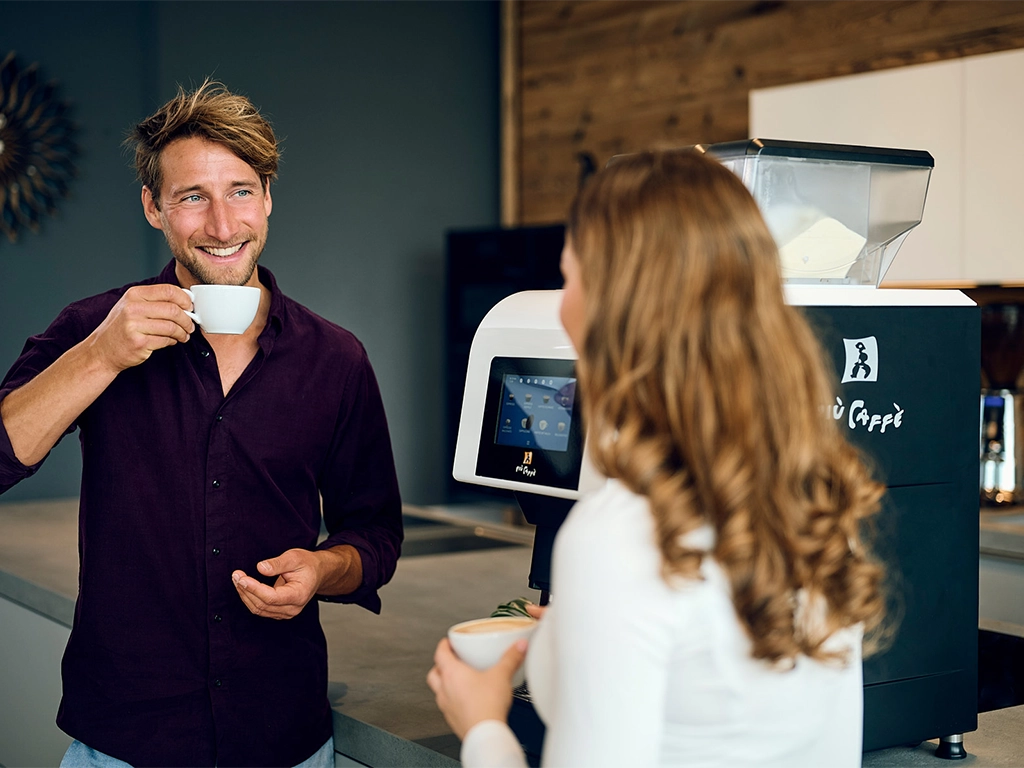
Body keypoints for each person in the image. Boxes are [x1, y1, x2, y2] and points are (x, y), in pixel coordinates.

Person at [427, 149, 888, 767]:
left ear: (616, 310)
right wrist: (579, 633)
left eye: (571, 277)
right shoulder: (812, 498)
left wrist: (481, 723)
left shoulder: (617, 538)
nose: (561, 304)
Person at [0, 80, 403, 768]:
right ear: (153, 207)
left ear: (269, 196)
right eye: (193, 197)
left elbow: (375, 536)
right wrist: (100, 355)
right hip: (123, 741)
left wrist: (323, 571)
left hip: (285, 738)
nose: (222, 225)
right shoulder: (92, 327)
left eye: (241, 191)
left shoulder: (337, 359)